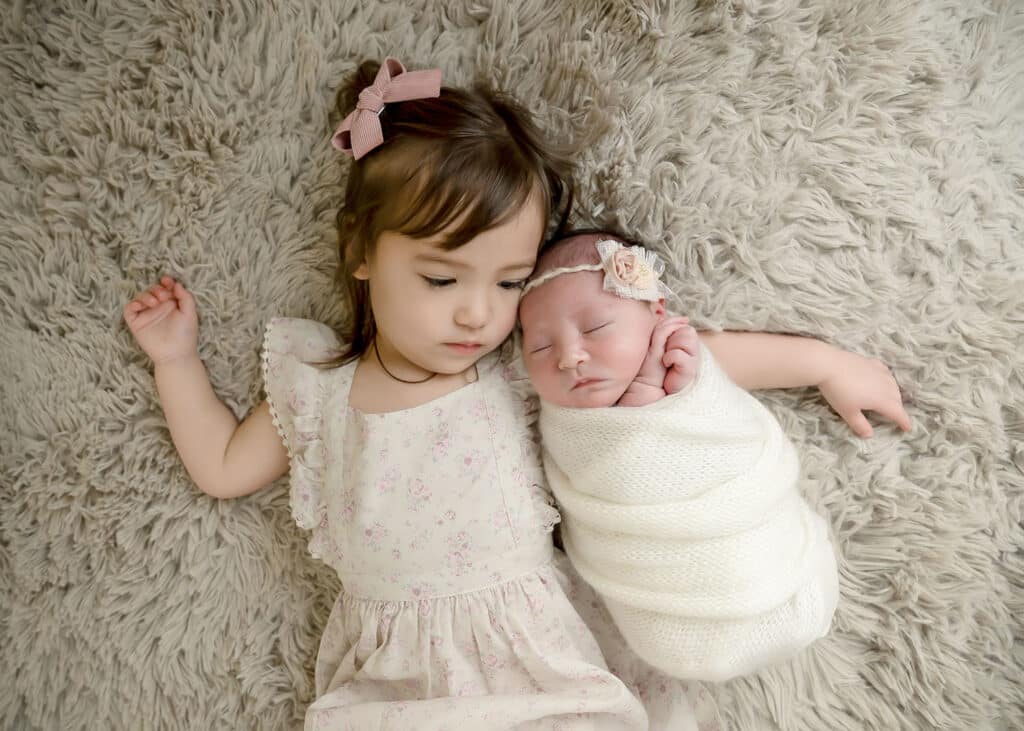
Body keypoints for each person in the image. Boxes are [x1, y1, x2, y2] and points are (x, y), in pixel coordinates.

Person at [121, 57, 904, 729]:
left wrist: (820, 361)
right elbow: (223, 467)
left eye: (509, 282)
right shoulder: (316, 387)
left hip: (540, 656)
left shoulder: (517, 369)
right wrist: (176, 361)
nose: (478, 312)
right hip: (396, 682)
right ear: (360, 251)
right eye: (440, 276)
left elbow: (683, 354)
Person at [517, 231, 911, 682]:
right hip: (656, 605)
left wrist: (832, 366)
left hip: (764, 558)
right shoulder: (557, 416)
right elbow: (612, 482)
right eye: (540, 348)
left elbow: (736, 379)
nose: (569, 357)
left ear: (656, 315)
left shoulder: (681, 356)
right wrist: (640, 408)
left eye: (595, 328)